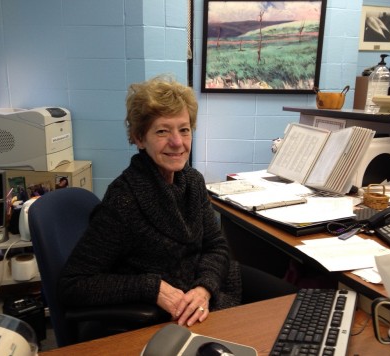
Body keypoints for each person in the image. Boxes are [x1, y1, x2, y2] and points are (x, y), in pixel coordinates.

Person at [58, 75, 295, 328]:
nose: (177, 142)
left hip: (204, 286)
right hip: (168, 312)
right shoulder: (124, 200)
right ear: (139, 138)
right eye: (162, 131)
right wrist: (153, 288)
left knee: (297, 305)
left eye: (184, 130)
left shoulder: (191, 181)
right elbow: (73, 284)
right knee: (264, 331)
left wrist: (205, 287)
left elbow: (216, 246)